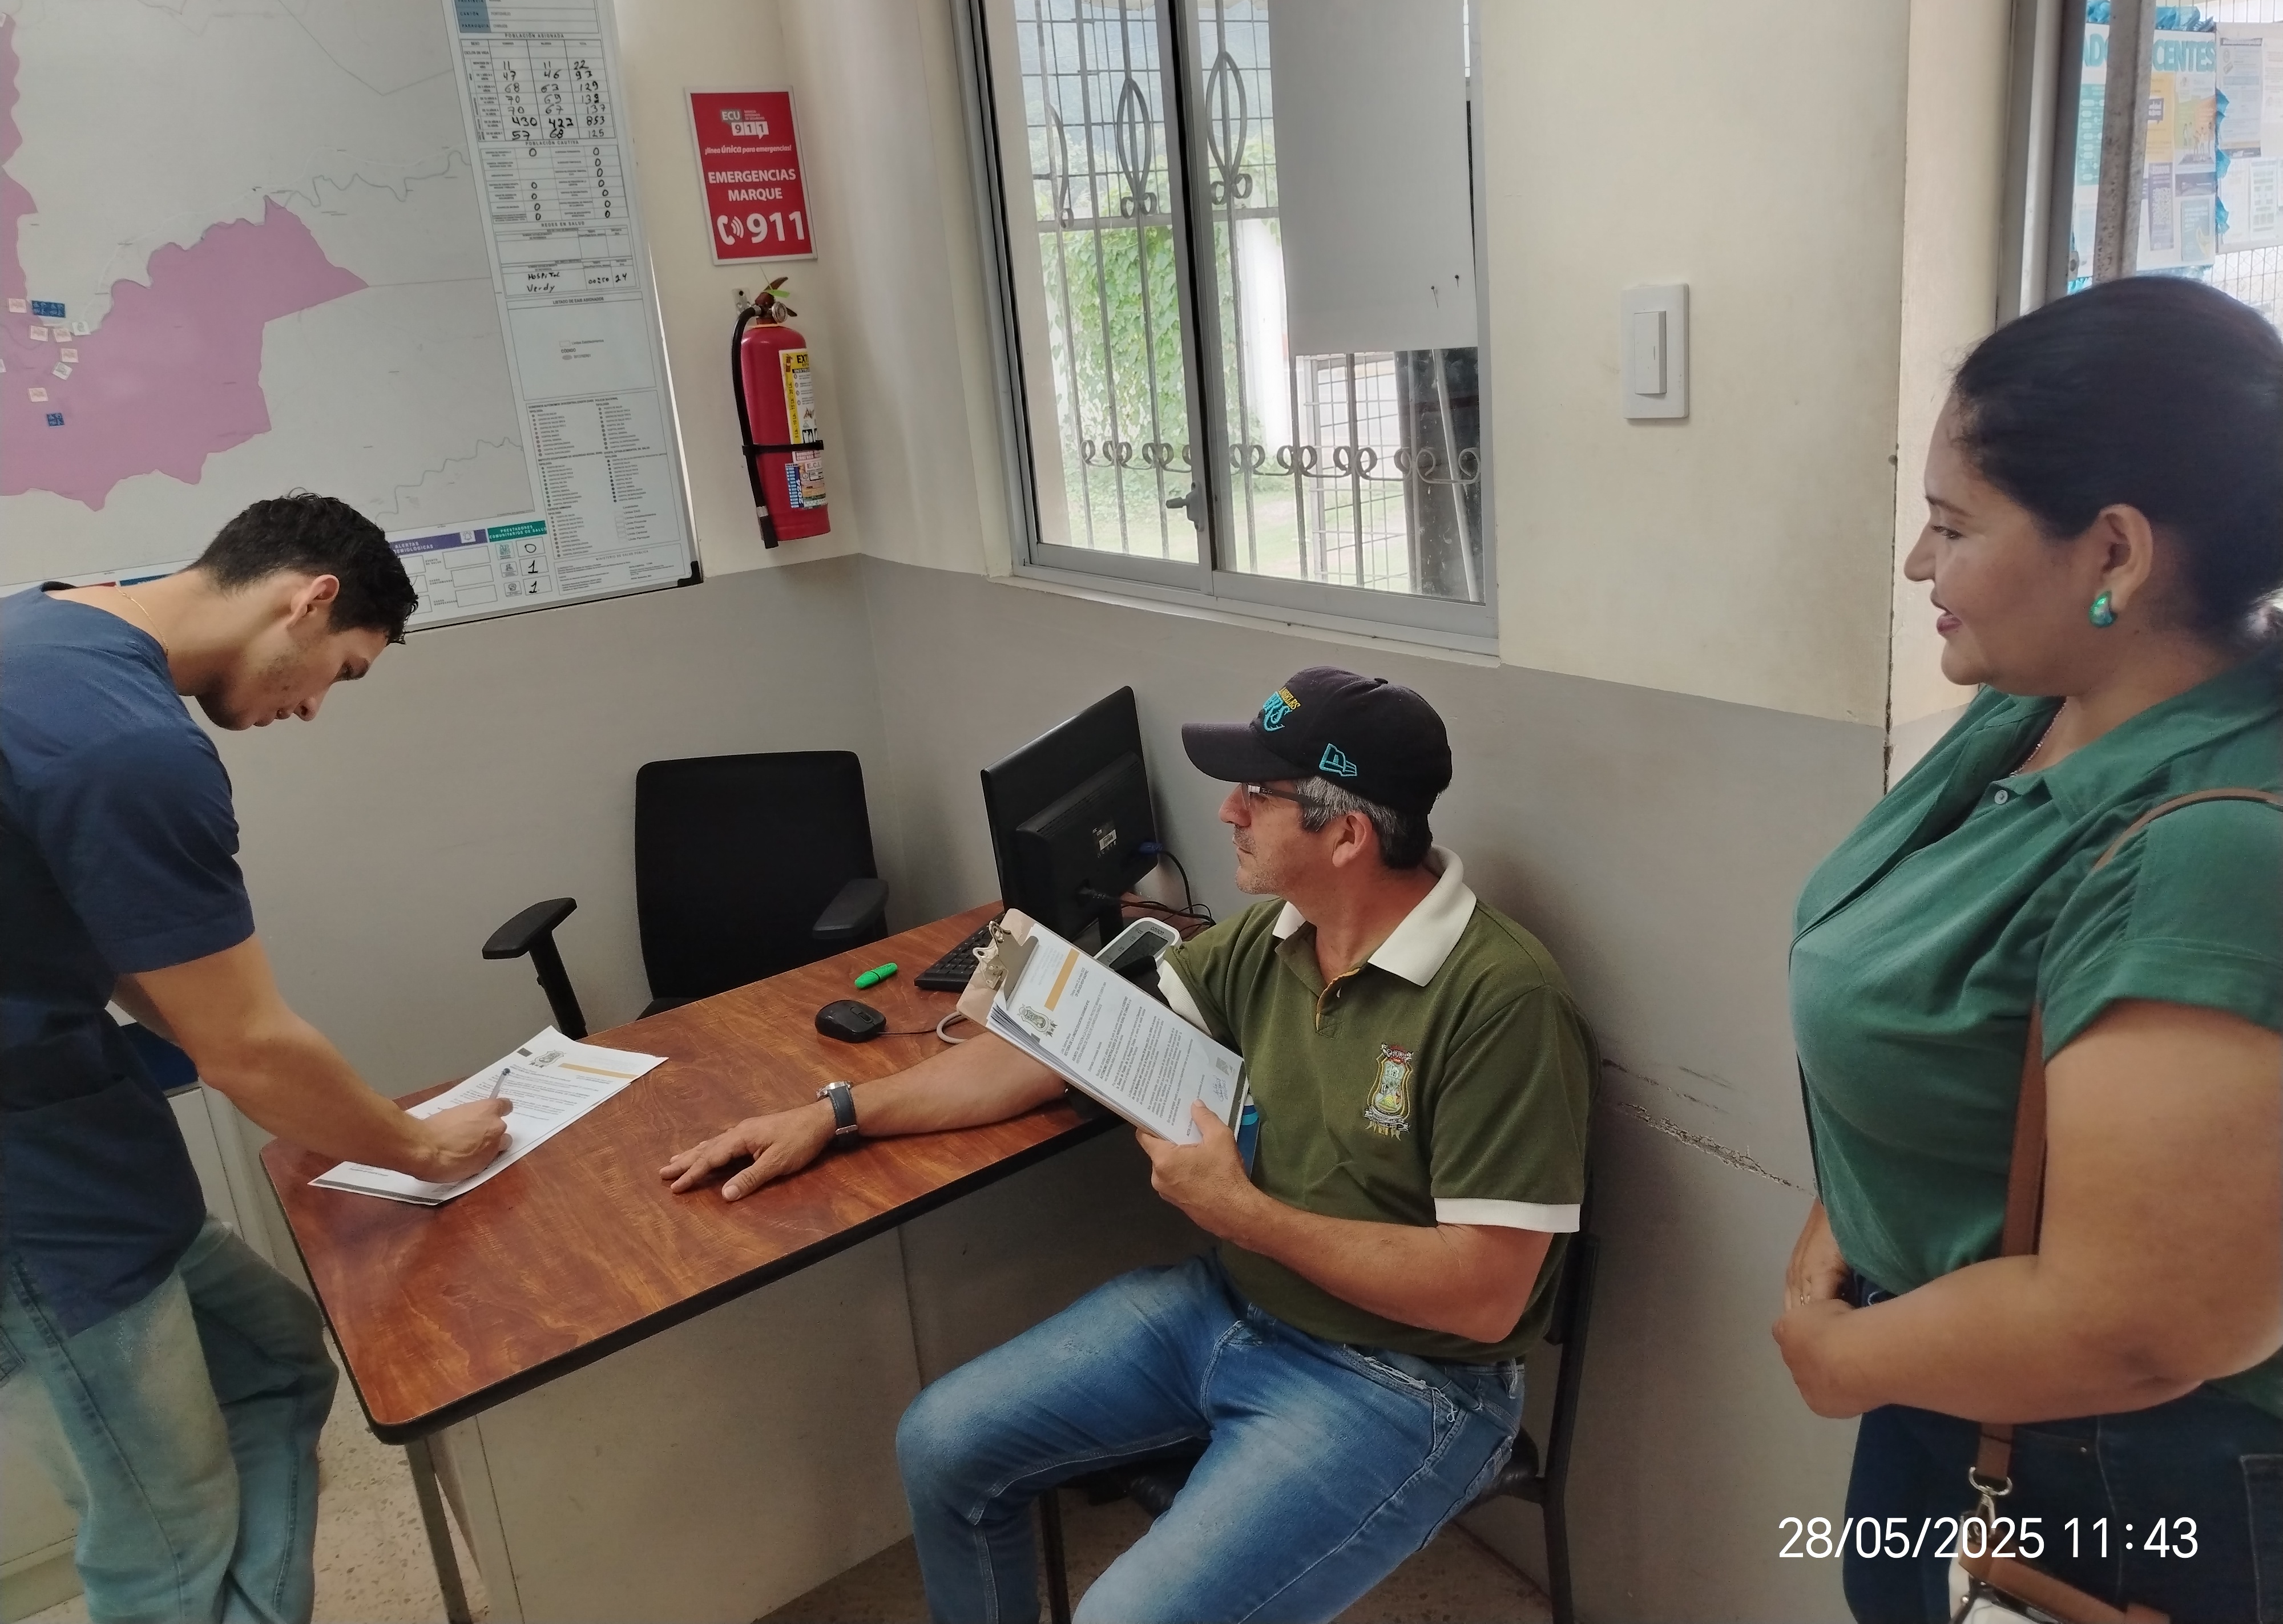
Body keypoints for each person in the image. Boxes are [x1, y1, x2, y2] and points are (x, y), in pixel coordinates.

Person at [662, 666, 1595, 1623]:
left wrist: (1244, 1216)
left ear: (1348, 835)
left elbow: (1485, 1296)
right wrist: (836, 1112)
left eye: (1257, 793)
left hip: (1409, 1382)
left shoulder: (1502, 1002)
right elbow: (1048, 1055)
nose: (1227, 811)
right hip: (1237, 1306)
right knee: (942, 1443)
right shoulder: (1276, 938)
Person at [1774, 277, 2283, 1622]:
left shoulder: (2210, 852)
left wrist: (1843, 1361)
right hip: (1948, 1393)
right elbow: (1946, 1009)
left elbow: (2147, 1327)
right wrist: (1856, 1217)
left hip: (2111, 1481)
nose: (1915, 565)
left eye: (1951, 527)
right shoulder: (2039, 711)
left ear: (2111, 553)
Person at [0, 494, 513, 1624]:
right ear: (308, 600)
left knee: (277, 1358)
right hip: (33, 1195)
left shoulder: (43, 626)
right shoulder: (129, 745)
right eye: (343, 670)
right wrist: (420, 1146)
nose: (315, 707)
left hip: (78, 1132)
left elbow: (147, 967)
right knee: (165, 1538)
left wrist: (253, 1052)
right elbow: (245, 1049)